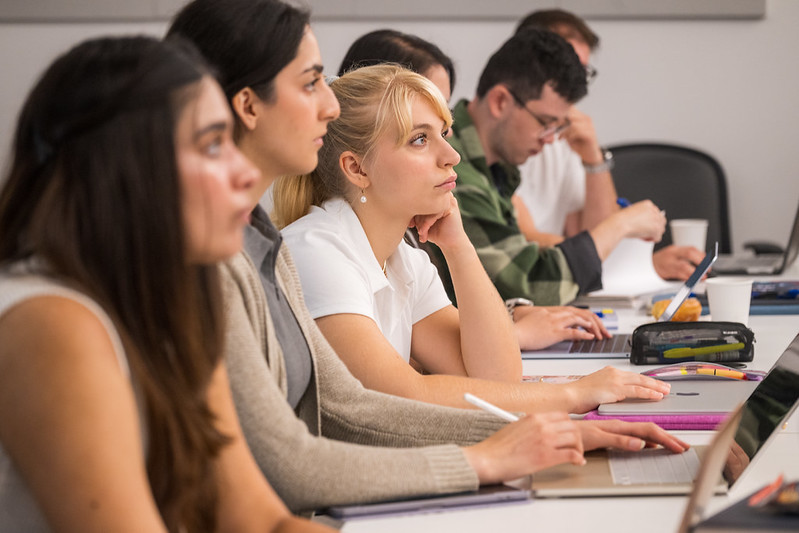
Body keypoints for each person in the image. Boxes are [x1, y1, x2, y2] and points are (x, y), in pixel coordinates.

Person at [168, 0, 688, 514]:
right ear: (357, 168)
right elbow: (372, 412)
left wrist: (458, 248)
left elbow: (474, 381)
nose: (453, 154)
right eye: (311, 83)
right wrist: (556, 409)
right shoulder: (305, 250)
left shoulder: (311, 251)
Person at [0, 36, 330, 532]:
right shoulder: (52, 322)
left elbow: (259, 521)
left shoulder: (174, 297)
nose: (244, 170)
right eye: (213, 144)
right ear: (126, 166)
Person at [337, 28, 617, 352]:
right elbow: (403, 390)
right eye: (421, 135)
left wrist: (506, 309)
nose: (451, 150)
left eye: (444, 122)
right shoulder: (326, 248)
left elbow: (473, 363)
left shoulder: (407, 255)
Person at [431, 28, 667, 307]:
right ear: (500, 102)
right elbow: (531, 286)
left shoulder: (496, 170)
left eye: (557, 126)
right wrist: (622, 224)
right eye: (544, 123)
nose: (551, 139)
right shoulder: (455, 171)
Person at [513, 9, 705, 280]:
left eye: (583, 71)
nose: (577, 84)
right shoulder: (498, 141)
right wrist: (637, 258)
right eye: (568, 68)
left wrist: (594, 159)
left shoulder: (562, 140)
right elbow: (521, 243)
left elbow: (588, 233)